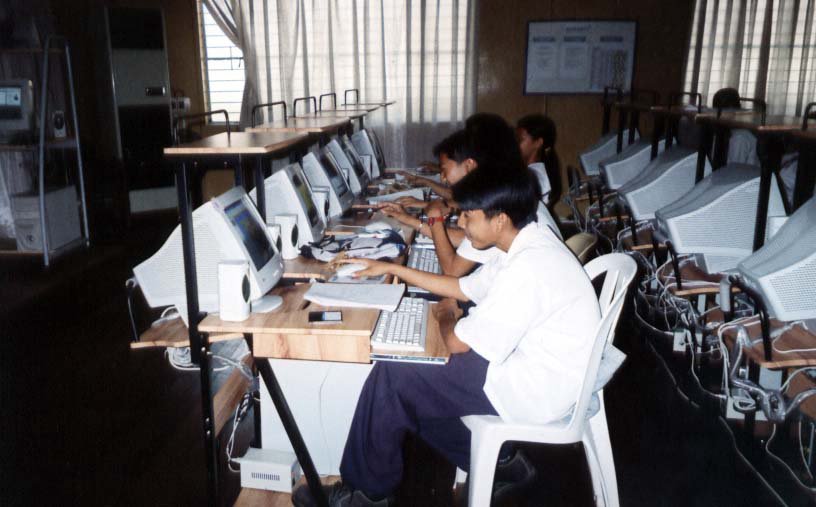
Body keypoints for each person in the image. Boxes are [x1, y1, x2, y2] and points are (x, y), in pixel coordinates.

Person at [292, 166, 601, 507]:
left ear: (499, 219)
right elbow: (461, 288)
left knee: (394, 376)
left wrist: (445, 313)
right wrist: (393, 269)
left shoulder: (528, 267)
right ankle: (503, 466)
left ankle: (365, 495)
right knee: (410, 387)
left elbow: (455, 341)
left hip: (537, 387)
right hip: (539, 366)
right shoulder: (524, 241)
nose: (462, 224)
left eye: (469, 216)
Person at [516, 114, 562, 211]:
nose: (515, 144)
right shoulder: (531, 172)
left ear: (538, 143)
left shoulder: (536, 175)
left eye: (520, 140)